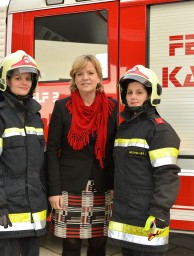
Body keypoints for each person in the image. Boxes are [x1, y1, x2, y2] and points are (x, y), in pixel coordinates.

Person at [0, 50, 48, 256]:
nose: (24, 82)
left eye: (28, 78)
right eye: (18, 78)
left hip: (33, 215)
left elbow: (40, 167)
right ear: (6, 80)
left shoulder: (34, 117)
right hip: (7, 214)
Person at [46, 54, 118, 256]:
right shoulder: (62, 107)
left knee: (98, 242)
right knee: (70, 244)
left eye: (90, 72)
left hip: (101, 184)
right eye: (80, 74)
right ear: (74, 79)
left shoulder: (111, 108)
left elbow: (113, 151)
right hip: (69, 185)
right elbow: (51, 151)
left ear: (98, 77)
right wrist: (54, 191)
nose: (85, 77)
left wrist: (114, 185)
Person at [108, 65, 181, 256]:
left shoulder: (160, 130)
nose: (133, 96)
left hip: (149, 214)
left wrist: (159, 212)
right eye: (130, 92)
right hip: (126, 213)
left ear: (150, 94)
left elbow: (167, 176)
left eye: (139, 92)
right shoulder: (124, 128)